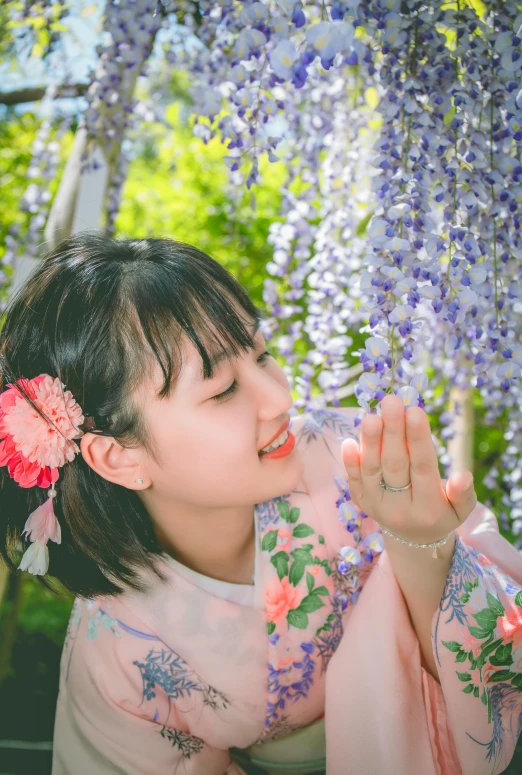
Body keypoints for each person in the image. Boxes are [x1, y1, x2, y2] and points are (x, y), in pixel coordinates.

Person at [0, 233, 520, 775]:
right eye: (223, 389)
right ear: (118, 457)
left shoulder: (349, 459)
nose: (281, 397)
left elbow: (502, 673)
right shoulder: (115, 648)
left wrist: (424, 548)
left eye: (263, 355)